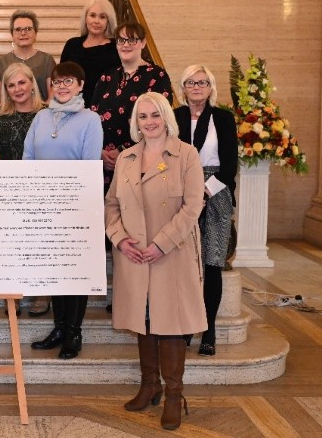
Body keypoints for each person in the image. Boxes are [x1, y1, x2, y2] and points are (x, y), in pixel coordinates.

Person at [104, 92, 206, 430]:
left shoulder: (186, 155)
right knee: (143, 319)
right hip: (134, 254)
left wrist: (160, 245)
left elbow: (193, 207)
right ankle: (149, 386)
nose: (149, 122)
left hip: (170, 254)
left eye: (155, 115)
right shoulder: (127, 158)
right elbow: (111, 205)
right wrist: (120, 239)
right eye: (143, 116)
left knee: (171, 323)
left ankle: (174, 395)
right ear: (136, 122)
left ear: (166, 118)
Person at [24, 61, 103, 359]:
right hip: (43, 205)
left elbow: (89, 164)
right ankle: (58, 328)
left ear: (81, 85)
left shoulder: (90, 120)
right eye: (57, 82)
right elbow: (28, 158)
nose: (62, 86)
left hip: (75, 206)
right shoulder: (41, 117)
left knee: (75, 272)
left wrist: (67, 198)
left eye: (69, 81)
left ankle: (73, 332)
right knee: (54, 271)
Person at [174, 65, 238, 357]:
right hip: (179, 193)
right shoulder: (173, 117)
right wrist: (187, 191)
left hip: (215, 193)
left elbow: (228, 167)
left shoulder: (223, 119)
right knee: (185, 264)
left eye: (202, 82)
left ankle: (209, 329)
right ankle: (186, 325)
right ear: (182, 87)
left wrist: (202, 191)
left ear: (211, 87)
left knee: (212, 263)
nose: (196, 86)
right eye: (191, 82)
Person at [0, 62, 48, 316]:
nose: (17, 89)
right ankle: (14, 291)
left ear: (32, 83)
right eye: (11, 85)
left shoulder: (48, 114)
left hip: (43, 190)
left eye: (22, 82)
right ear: (6, 90)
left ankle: (43, 291)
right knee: (13, 243)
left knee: (41, 242)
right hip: (9, 191)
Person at [90, 22, 173, 196]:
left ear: (143, 43)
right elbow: (91, 117)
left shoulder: (157, 76)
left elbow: (160, 121)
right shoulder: (107, 77)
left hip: (140, 160)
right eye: (121, 40)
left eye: (132, 40)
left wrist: (122, 151)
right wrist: (100, 151)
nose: (126, 44)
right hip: (103, 162)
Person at [0, 10, 56, 109]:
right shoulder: (2, 62)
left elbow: (52, 96)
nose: (23, 33)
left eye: (28, 29)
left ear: (35, 33)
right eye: (18, 29)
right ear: (12, 35)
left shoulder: (47, 60)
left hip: (40, 118)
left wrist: (42, 117)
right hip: (10, 120)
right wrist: (5, 120)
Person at [59, 0, 120, 105]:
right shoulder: (72, 45)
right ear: (85, 18)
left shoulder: (116, 47)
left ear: (108, 21)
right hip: (72, 107)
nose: (96, 21)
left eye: (102, 17)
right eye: (92, 15)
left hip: (105, 108)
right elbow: (60, 77)